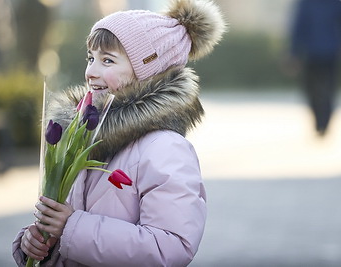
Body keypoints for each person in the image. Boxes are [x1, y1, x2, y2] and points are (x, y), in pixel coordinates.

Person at [12, 0, 226, 266]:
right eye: (91, 58)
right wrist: (39, 242)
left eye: (108, 60)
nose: (91, 72)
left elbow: (170, 247)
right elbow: (65, 225)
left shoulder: (165, 149)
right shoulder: (83, 136)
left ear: (148, 70)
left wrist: (71, 228)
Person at [289, 0, 341, 136]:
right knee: (311, 89)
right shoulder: (306, 3)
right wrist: (294, 53)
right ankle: (319, 119)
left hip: (331, 53)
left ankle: (324, 121)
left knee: (329, 89)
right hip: (311, 54)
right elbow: (298, 27)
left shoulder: (335, 3)